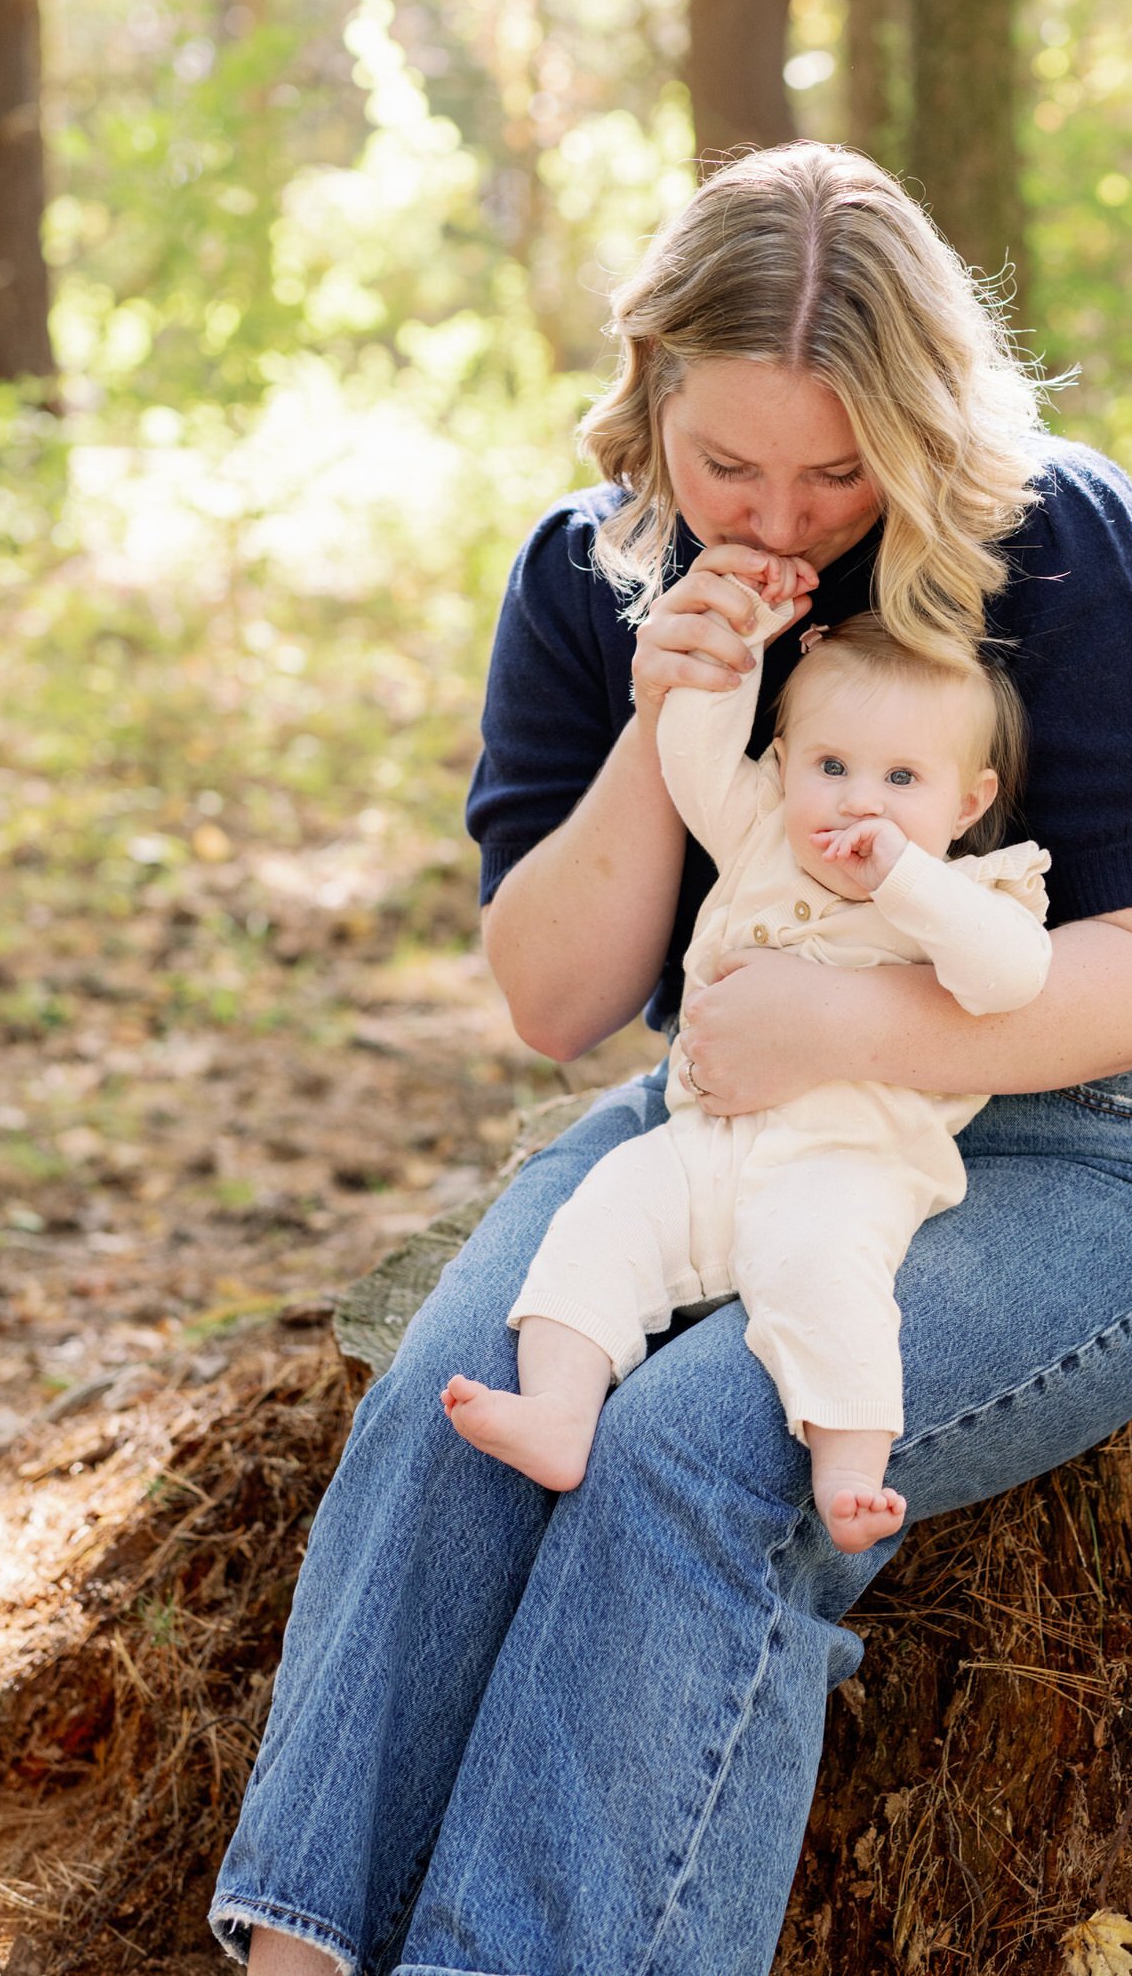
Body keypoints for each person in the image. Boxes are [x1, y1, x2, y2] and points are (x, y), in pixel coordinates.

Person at [211, 142, 1132, 1976]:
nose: (782, 512)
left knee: (700, 1448)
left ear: (922, 420)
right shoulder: (587, 571)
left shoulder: (1064, 539)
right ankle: (298, 1951)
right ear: (648, 407)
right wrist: (653, 725)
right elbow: (553, 1001)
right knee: (457, 1411)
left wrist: (850, 1018)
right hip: (723, 1125)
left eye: (841, 468)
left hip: (1087, 1143)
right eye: (727, 464)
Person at [441, 587, 1054, 1556]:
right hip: (704, 1138)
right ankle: (556, 1408)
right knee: (603, 1212)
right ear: (782, 766)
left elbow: (1012, 975)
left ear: (967, 801)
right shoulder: (764, 833)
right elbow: (689, 755)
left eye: (902, 777)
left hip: (850, 1160)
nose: (859, 799)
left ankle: (849, 1463)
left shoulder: (967, 891)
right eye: (830, 765)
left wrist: (902, 873)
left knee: (824, 1272)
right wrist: (737, 653)